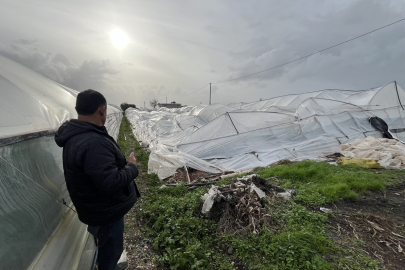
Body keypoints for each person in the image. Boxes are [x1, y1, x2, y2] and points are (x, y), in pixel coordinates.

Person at [55, 89, 140, 270]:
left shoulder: (77, 136)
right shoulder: (92, 142)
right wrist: (132, 166)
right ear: (102, 110)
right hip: (105, 213)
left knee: (105, 244)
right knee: (112, 250)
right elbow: (110, 183)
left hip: (94, 209)